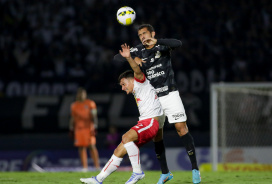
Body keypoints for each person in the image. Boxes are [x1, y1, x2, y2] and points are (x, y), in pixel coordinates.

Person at [114, 24, 201, 184]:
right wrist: (133, 58)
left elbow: (178, 43)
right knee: (156, 136)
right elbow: (117, 57)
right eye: (140, 35)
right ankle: (165, 173)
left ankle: (195, 169)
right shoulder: (139, 50)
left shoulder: (162, 45)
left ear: (152, 33)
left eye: (145, 33)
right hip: (154, 98)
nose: (142, 37)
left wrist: (156, 41)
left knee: (181, 129)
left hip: (170, 94)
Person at [80, 44, 163, 184]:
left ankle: (137, 172)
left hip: (150, 122)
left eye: (124, 84)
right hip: (145, 123)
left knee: (126, 137)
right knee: (119, 149)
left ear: (131, 80)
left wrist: (129, 58)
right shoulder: (137, 90)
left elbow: (136, 70)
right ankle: (98, 179)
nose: (123, 88)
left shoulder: (140, 82)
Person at [69, 88, 100, 172]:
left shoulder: (90, 103)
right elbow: (72, 117)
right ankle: (85, 167)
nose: (81, 95)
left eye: (83, 93)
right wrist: (71, 128)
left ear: (85, 94)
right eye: (80, 94)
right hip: (78, 129)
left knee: (92, 146)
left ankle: (97, 166)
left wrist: (95, 126)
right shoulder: (74, 105)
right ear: (77, 95)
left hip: (88, 128)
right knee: (81, 147)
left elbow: (94, 116)